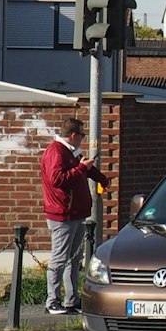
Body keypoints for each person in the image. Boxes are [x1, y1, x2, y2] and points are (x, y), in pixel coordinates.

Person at [40, 117, 104, 315]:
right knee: (59, 258)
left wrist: (100, 178)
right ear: (74, 135)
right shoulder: (56, 152)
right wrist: (82, 168)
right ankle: (52, 300)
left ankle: (71, 300)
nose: (83, 139)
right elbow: (57, 179)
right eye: (82, 135)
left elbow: (82, 169)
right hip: (62, 214)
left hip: (75, 213)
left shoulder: (71, 152)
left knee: (74, 260)